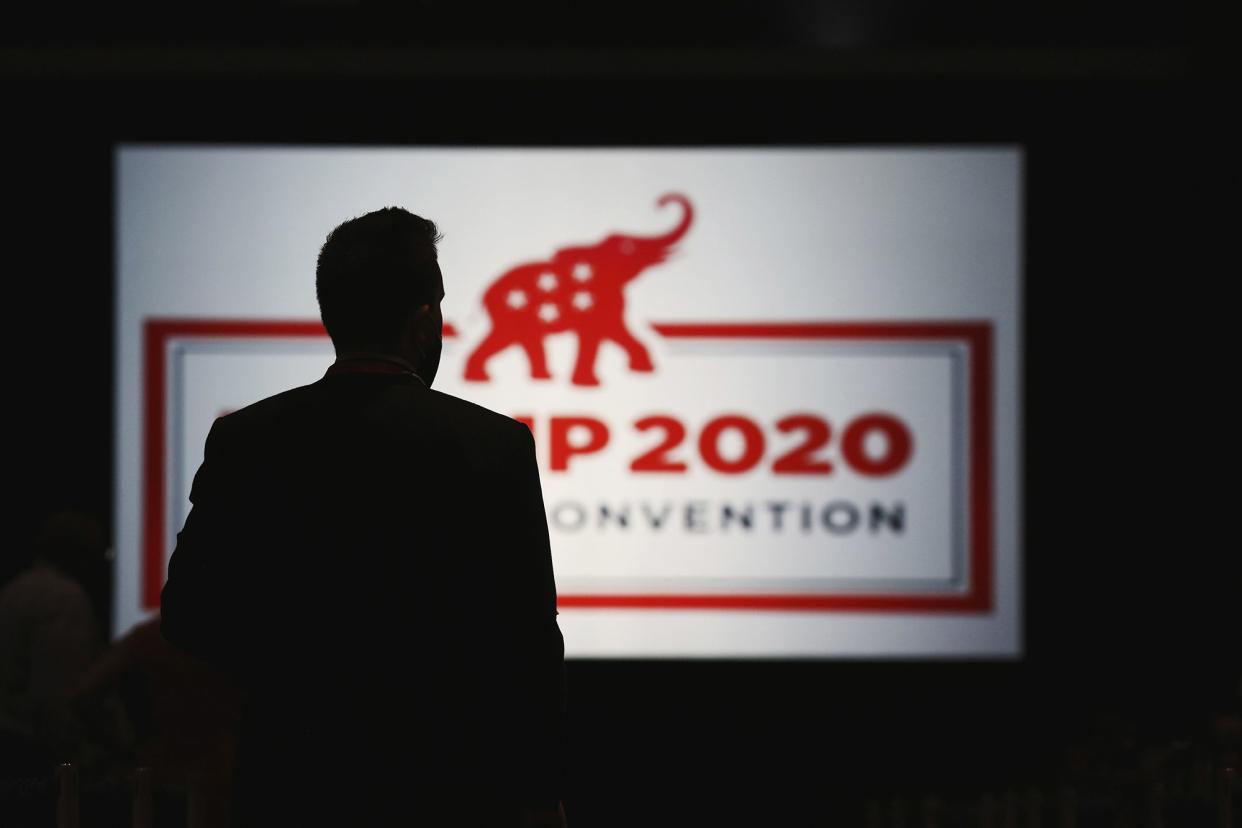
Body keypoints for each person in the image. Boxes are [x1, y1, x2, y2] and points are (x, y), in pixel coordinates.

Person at [160, 207, 566, 826]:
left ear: (332, 314)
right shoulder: (492, 446)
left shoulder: (247, 439)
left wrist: (293, 678)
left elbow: (189, 615)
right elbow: (529, 642)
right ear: (424, 318)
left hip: (291, 782)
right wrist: (537, 794)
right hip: (450, 789)